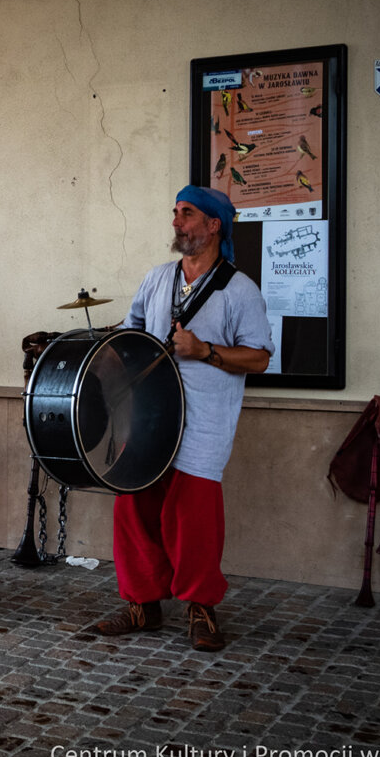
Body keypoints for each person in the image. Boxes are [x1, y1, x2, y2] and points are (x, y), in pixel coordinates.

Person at [91, 185, 273, 651]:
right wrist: (104, 352)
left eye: (187, 214)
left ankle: (200, 609)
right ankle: (142, 604)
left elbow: (259, 358)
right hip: (149, 415)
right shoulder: (156, 279)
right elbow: (134, 331)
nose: (176, 221)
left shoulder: (240, 289)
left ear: (214, 225)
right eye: (174, 212)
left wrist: (205, 351)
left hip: (205, 419)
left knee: (192, 517)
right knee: (133, 505)